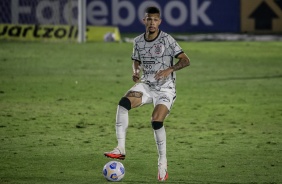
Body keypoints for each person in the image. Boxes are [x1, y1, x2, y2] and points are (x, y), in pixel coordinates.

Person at [104, 6, 190, 181]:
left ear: (159, 21)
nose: (152, 23)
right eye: (149, 19)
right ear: (144, 21)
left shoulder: (167, 40)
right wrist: (135, 71)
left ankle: (162, 162)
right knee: (123, 104)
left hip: (166, 88)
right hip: (146, 85)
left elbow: (186, 60)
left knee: (156, 120)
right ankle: (120, 149)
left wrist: (170, 69)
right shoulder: (137, 41)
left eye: (155, 20)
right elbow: (136, 60)